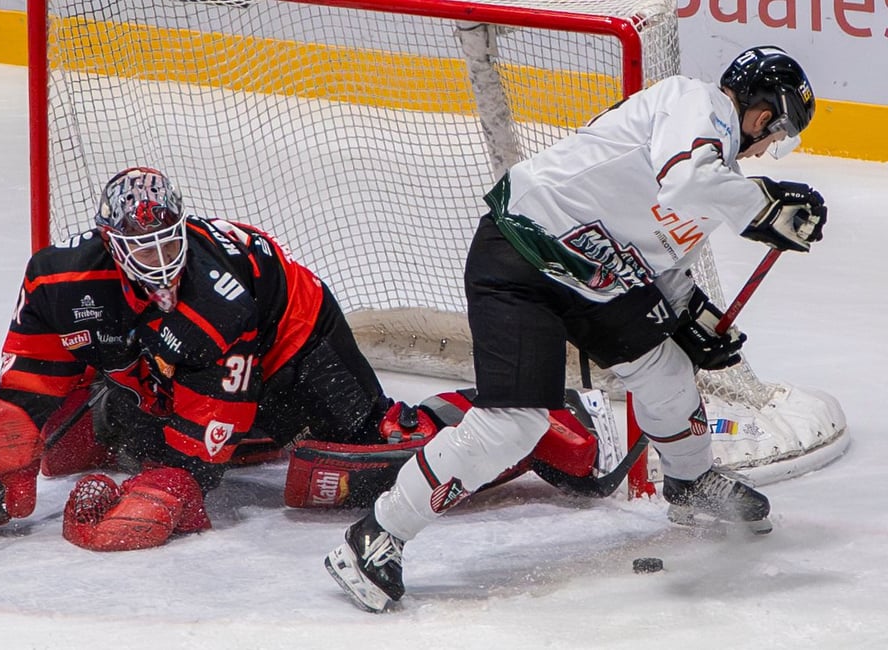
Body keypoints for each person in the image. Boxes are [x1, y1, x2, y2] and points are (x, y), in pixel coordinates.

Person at [325, 45, 828, 612]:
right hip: (522, 255)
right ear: (764, 113)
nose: (771, 150)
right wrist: (768, 208)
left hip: (594, 275)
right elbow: (685, 185)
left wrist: (693, 316)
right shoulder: (697, 102)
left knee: (666, 369)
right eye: (778, 134)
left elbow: (663, 255)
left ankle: (689, 484)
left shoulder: (715, 167)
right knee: (512, 426)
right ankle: (375, 535)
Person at [0, 166, 435, 551]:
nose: (163, 263)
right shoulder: (56, 279)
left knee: (369, 454)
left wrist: (176, 480)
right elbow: (38, 363)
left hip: (293, 342)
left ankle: (483, 425)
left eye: (170, 244)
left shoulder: (219, 303)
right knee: (126, 435)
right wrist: (15, 432)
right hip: (181, 355)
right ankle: (132, 419)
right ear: (111, 244)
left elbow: (217, 409)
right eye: (145, 251)